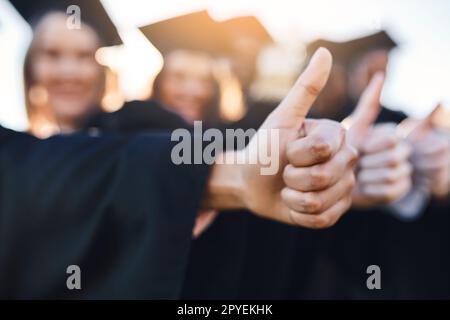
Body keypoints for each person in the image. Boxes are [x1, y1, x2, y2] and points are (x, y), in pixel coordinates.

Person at [13, 0, 122, 137]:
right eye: (52, 53)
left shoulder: (137, 147)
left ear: (101, 67)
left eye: (84, 55)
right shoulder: (15, 152)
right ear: (30, 65)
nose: (68, 72)